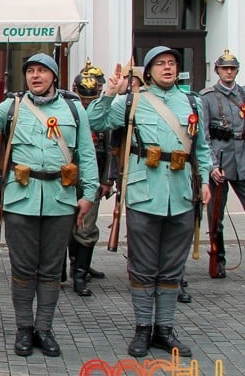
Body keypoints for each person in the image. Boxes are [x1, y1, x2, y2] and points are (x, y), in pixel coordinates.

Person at [0, 54, 98, 358]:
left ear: (54, 76)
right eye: (31, 71)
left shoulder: (73, 108)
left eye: (42, 71)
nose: (35, 76)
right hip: (20, 200)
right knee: (23, 269)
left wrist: (88, 194)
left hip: (60, 199)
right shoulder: (12, 106)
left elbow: (87, 155)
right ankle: (24, 329)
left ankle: (45, 329)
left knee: (52, 270)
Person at [87, 47, 213, 358]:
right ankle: (143, 329)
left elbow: (202, 147)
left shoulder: (192, 101)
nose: (167, 68)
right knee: (143, 267)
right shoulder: (133, 101)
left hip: (182, 194)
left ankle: (165, 329)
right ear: (149, 71)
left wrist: (206, 180)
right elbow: (95, 121)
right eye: (160, 64)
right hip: (144, 193)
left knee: (172, 268)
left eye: (171, 63)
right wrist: (108, 93)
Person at [199, 49, 245, 279]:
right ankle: (218, 259)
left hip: (243, 160)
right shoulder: (206, 97)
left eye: (232, 68)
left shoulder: (243, 95)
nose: (229, 72)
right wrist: (211, 165)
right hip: (221, 160)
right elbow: (203, 135)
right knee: (216, 217)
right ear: (217, 70)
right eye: (225, 68)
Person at [68, 61, 111, 297]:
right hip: (67, 175)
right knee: (66, 226)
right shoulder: (66, 106)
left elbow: (110, 149)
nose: (86, 102)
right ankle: (70, 266)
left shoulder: (103, 109)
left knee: (86, 227)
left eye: (90, 98)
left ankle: (80, 274)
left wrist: (107, 179)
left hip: (92, 177)